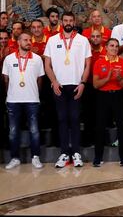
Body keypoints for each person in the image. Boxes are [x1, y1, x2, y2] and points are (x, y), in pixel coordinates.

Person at [44, 11, 92, 168]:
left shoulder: (82, 40)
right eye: (65, 20)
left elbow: (88, 64)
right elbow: (47, 65)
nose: (68, 22)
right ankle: (64, 153)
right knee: (62, 119)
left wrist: (83, 83)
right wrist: (54, 82)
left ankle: (76, 153)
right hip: (59, 86)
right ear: (61, 22)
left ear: (74, 21)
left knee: (75, 119)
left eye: (71, 20)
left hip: (76, 85)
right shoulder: (52, 40)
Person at [2, 32, 44, 169]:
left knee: (34, 130)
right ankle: (15, 158)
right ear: (18, 42)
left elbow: (40, 79)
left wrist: (35, 94)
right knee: (13, 130)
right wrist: (10, 94)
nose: (28, 42)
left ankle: (35, 157)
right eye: (25, 40)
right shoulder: (9, 59)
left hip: (32, 99)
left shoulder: (37, 59)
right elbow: (6, 80)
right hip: (13, 100)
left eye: (29, 40)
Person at [93, 38, 123, 167]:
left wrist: (119, 78)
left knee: (121, 127)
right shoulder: (99, 62)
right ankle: (98, 157)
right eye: (112, 45)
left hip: (118, 96)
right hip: (103, 96)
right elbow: (96, 84)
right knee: (100, 127)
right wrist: (107, 78)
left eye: (116, 46)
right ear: (106, 47)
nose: (114, 48)